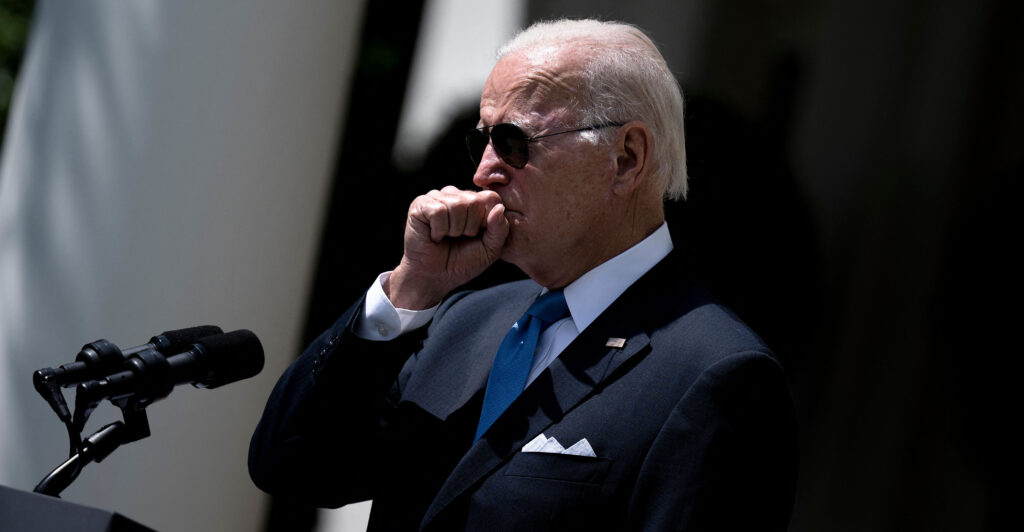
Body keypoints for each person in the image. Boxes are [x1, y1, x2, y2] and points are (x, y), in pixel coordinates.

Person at [249, 18, 797, 531]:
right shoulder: (463, 319)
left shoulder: (715, 372)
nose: (483, 171)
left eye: (514, 143)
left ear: (626, 158)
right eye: (481, 141)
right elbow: (292, 466)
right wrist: (408, 290)